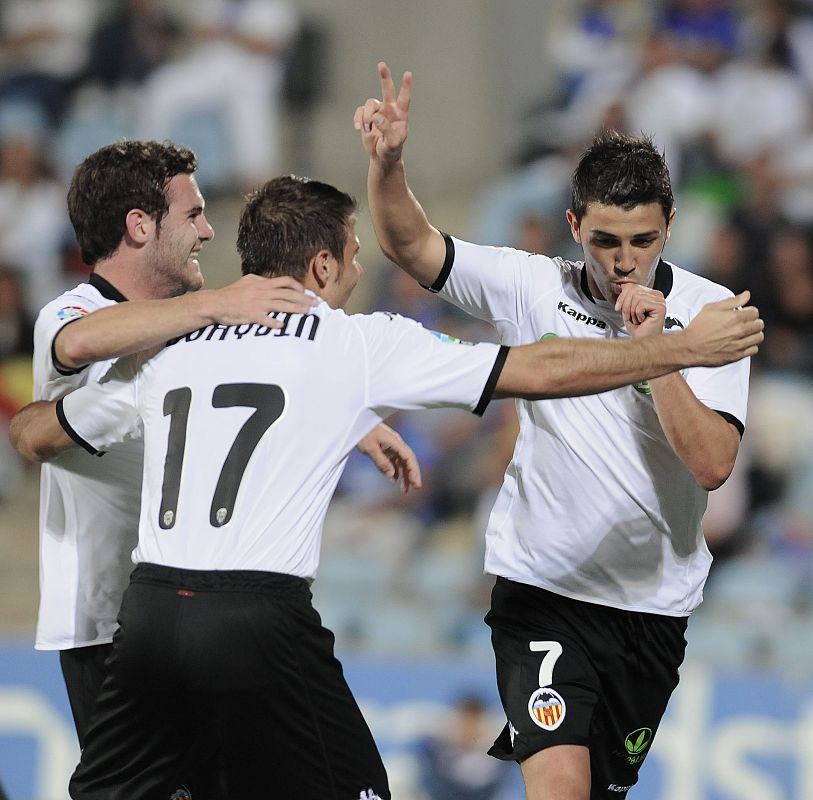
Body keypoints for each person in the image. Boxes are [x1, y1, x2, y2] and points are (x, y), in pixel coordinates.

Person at [9, 173, 761, 799]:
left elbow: (38, 433)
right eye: (355, 253)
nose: (364, 268)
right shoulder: (355, 341)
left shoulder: (173, 342)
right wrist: (681, 350)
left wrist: (350, 421)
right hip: (255, 617)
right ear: (325, 268)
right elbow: (543, 368)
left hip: (146, 615)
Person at [354, 62, 757, 800]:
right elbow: (412, 247)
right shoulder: (532, 285)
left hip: (650, 608)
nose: (623, 261)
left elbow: (709, 463)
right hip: (543, 589)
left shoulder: (711, 316)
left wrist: (658, 349)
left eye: (641, 239)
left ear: (669, 224)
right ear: (574, 227)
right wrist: (388, 166)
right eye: (604, 240)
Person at [15, 140, 413, 797]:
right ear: (139, 225)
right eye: (193, 214)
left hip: (193, 612)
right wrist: (216, 304)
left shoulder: (190, 333)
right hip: (108, 622)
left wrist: (353, 418)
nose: (207, 230)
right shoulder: (74, 311)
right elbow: (76, 353)